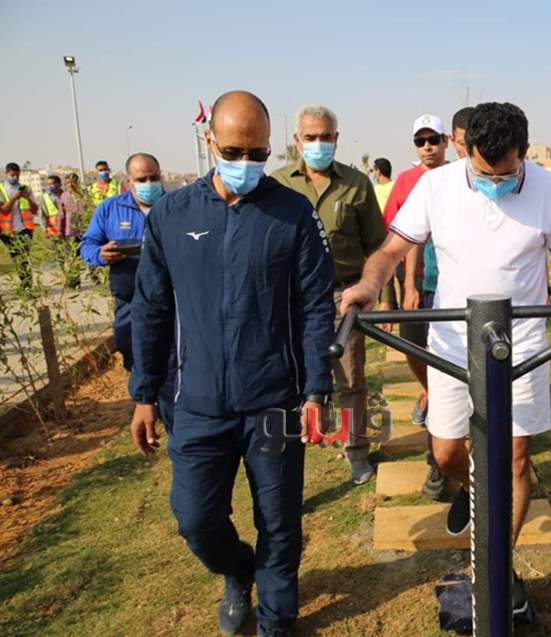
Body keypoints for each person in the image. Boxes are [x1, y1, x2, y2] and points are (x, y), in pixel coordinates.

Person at [341, 102, 551, 617]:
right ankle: (476, 497)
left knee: (514, 459)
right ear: (465, 150)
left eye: (505, 174)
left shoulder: (549, 189)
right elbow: (392, 249)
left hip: (521, 342)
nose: (493, 183)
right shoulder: (437, 186)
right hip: (453, 343)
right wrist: (369, 285)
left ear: (523, 153)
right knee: (448, 453)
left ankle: (496, 567)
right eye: (482, 173)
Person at [129, 91, 336, 637]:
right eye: (234, 151)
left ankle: (276, 621)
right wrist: (144, 392)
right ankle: (239, 569)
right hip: (198, 404)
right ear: (209, 141)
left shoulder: (292, 213)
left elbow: (317, 306)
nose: (247, 163)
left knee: (280, 523)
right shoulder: (173, 215)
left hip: (274, 400)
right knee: (195, 520)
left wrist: (316, 390)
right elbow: (150, 308)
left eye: (258, 153)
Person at [271, 104, 386, 486]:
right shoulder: (277, 185)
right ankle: (288, 456)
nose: (318, 143)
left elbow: (377, 245)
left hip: (342, 296)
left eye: (325, 136)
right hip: (290, 300)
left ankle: (357, 450)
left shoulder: (357, 184)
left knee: (350, 379)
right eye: (310, 137)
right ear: (297, 140)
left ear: (336, 139)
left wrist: (378, 293)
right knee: (288, 379)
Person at [382, 114, 450, 499]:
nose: (427, 147)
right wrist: (404, 286)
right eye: (420, 141)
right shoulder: (407, 182)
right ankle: (428, 395)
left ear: (446, 141)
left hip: (454, 288)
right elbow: (401, 237)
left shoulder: (459, 177)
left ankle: (442, 463)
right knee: (417, 352)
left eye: (433, 140)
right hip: (421, 285)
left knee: (454, 379)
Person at [81, 153, 168, 373]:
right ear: (129, 181)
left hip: (169, 297)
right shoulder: (109, 209)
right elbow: (87, 245)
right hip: (129, 298)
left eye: (154, 178)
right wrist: (101, 254)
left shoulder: (175, 206)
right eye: (141, 179)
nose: (149, 183)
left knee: (169, 355)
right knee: (131, 349)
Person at [0, 162, 38, 287]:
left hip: (25, 228)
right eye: (12, 175)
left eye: (17, 175)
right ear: (6, 174)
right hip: (7, 230)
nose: (15, 178)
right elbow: (4, 210)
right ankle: (24, 284)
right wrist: (14, 198)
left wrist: (27, 198)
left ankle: (27, 286)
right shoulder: (1, 189)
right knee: (16, 256)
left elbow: (35, 210)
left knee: (24, 257)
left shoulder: (25, 188)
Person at [40, 175, 82, 288]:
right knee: (64, 257)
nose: (51, 186)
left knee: (76, 255)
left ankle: (78, 279)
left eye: (53, 183)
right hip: (58, 231)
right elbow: (43, 215)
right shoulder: (48, 197)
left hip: (75, 229)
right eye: (49, 184)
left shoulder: (75, 195)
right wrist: (47, 229)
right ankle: (69, 279)